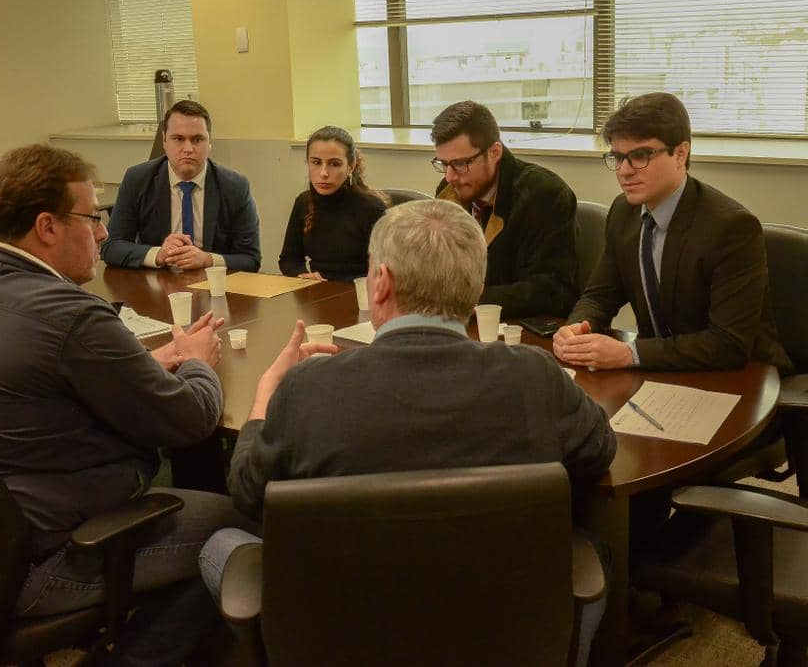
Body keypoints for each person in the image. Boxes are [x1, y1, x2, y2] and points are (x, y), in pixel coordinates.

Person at [201, 199, 616, 666]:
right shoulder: (535, 378)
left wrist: (264, 399)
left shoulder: (307, 389)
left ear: (380, 283)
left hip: (341, 638)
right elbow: (598, 450)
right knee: (591, 550)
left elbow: (248, 493)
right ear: (476, 287)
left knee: (220, 545)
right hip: (499, 636)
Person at [0, 144, 252, 666]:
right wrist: (199, 359)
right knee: (239, 529)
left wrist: (153, 362)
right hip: (49, 554)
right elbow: (191, 420)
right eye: (93, 217)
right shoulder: (71, 314)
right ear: (47, 226)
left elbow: (47, 380)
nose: (103, 233)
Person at [554, 92, 792, 373]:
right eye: (617, 157)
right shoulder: (623, 212)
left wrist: (629, 353)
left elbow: (728, 343)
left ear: (681, 153)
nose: (624, 171)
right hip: (664, 373)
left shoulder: (731, 228)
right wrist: (576, 328)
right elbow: (599, 296)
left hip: (742, 379)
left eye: (639, 156)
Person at [432, 100, 578, 319]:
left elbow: (553, 291)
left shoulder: (544, 195)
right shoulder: (449, 190)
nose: (450, 176)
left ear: (494, 152)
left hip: (519, 331)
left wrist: (469, 298)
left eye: (460, 164)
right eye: (443, 164)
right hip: (463, 326)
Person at [102, 100, 261, 272]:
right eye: (178, 139)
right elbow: (111, 247)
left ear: (209, 143)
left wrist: (208, 259)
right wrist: (158, 254)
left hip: (212, 285)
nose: (188, 148)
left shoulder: (235, 186)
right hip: (157, 284)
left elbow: (250, 260)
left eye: (197, 139)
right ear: (164, 141)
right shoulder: (138, 179)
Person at [278, 125, 388, 282]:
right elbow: (289, 260)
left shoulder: (371, 208)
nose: (323, 173)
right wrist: (304, 276)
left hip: (361, 294)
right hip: (317, 294)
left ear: (351, 166)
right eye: (316, 162)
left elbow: (386, 270)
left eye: (334, 164)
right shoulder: (304, 202)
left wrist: (335, 284)